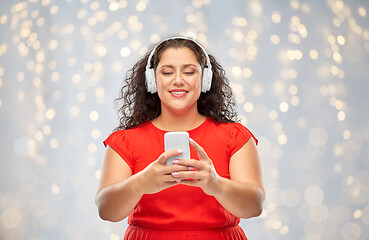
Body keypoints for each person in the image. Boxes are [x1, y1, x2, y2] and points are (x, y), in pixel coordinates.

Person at [95, 36, 265, 240]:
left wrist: (215, 184)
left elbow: (254, 207)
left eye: (189, 72)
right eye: (167, 72)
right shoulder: (124, 141)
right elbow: (106, 211)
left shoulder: (235, 137)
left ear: (205, 79)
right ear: (152, 80)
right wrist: (140, 183)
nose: (178, 80)